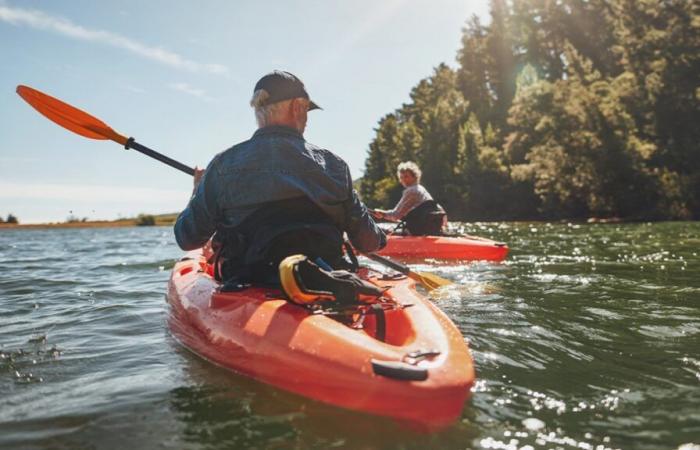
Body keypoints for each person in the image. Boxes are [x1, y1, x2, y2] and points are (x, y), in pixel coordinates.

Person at [174, 70, 386, 285]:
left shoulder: (222, 165)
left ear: (258, 111)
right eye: (306, 110)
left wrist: (197, 190)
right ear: (296, 107)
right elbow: (368, 242)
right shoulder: (334, 165)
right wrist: (381, 236)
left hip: (248, 283)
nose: (306, 119)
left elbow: (187, 238)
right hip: (326, 280)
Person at [370, 161, 446, 235]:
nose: (403, 180)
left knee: (378, 230)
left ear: (414, 176)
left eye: (406, 176)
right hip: (429, 228)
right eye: (401, 177)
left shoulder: (411, 191)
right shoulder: (421, 188)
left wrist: (382, 214)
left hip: (419, 230)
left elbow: (396, 215)